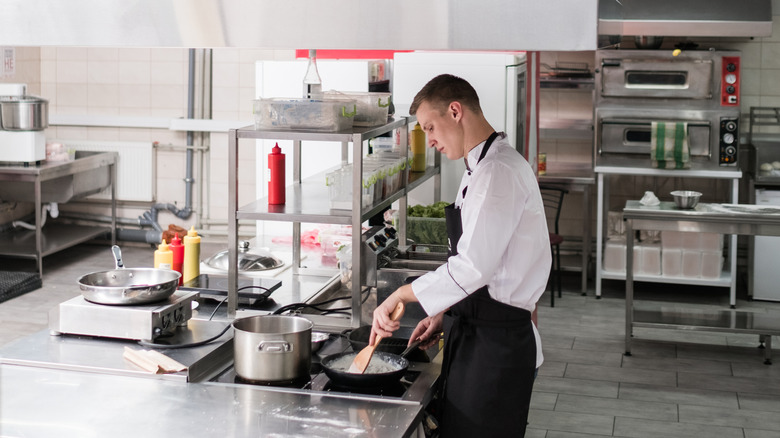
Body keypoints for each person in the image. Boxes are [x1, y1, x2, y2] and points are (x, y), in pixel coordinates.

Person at [370, 74, 551, 437]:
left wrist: (401, 294)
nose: (429, 139)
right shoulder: (480, 167)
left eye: (429, 127)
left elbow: (473, 267)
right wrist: (443, 311)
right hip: (481, 333)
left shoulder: (498, 172)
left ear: (455, 111)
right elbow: (486, 262)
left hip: (497, 346)